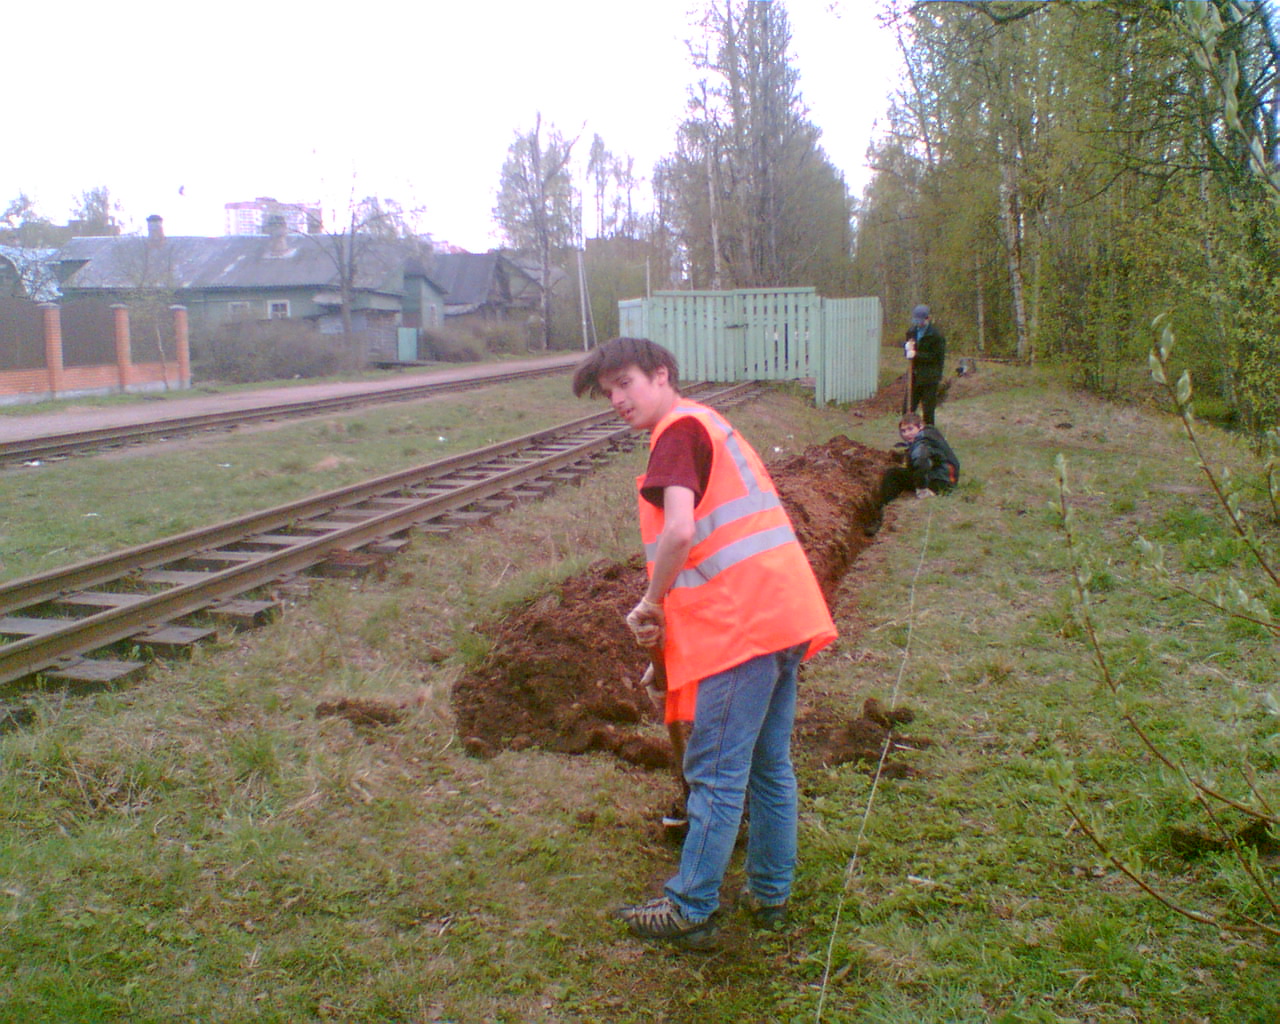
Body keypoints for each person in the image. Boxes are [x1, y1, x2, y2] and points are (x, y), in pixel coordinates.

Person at [571, 337, 837, 950]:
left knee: (715, 772)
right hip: (780, 613)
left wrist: (650, 602)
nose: (617, 400)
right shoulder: (708, 423)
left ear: (662, 374)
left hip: (742, 628)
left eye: (626, 384)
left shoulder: (676, 433)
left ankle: (690, 907)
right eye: (608, 393)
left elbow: (680, 532)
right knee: (768, 766)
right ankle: (770, 894)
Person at [878, 412, 961, 504]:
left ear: (920, 426)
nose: (907, 434)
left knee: (892, 474)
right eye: (903, 431)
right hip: (946, 479)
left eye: (910, 429)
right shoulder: (930, 434)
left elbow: (921, 460)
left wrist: (921, 488)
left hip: (940, 483)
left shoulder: (922, 441)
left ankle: (885, 504)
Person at [903, 304, 946, 426]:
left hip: (929, 377)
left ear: (928, 318)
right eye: (916, 321)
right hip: (914, 376)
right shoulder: (911, 332)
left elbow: (935, 357)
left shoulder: (936, 336)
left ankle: (928, 434)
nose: (918, 324)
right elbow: (908, 353)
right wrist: (907, 349)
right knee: (907, 408)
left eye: (921, 321)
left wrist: (916, 354)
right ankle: (909, 433)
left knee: (928, 411)